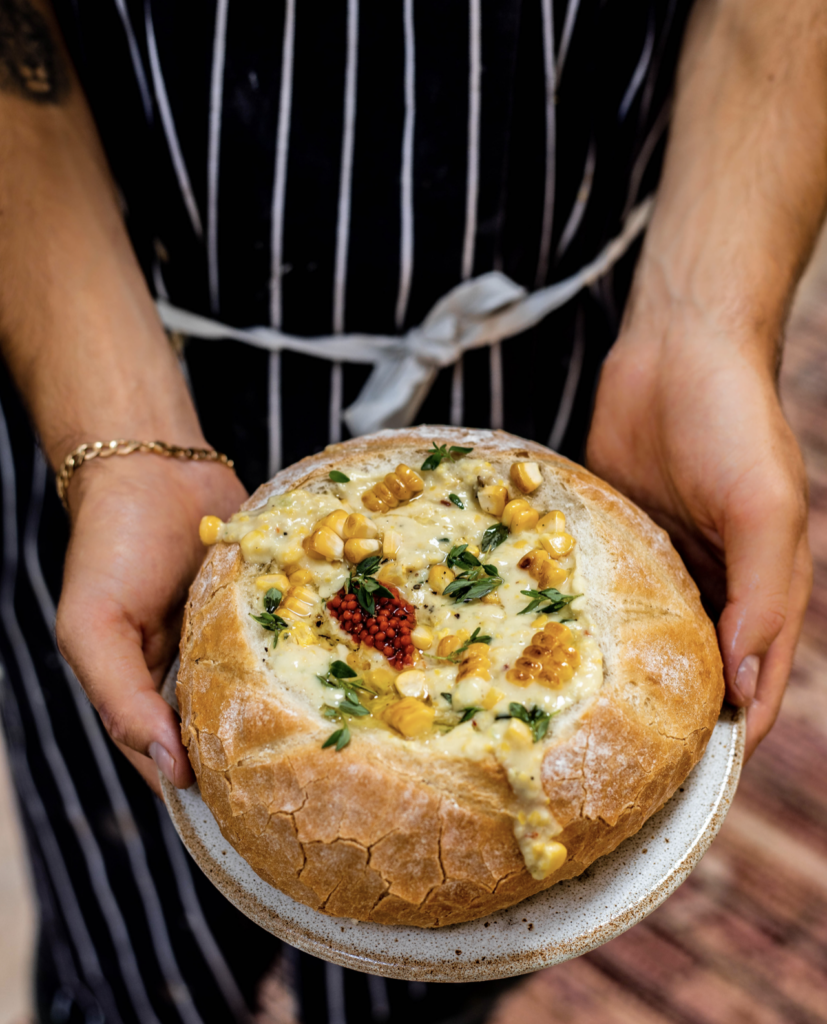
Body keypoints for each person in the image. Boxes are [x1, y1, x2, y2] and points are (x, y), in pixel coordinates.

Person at [0, 0, 818, 1021]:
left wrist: (706, 319)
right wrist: (114, 429)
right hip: (114, 392)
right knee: (129, 955)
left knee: (444, 972)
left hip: (576, 393)